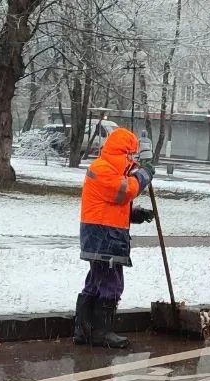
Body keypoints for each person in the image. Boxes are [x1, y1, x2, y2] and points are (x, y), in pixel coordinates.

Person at [75, 127, 155, 349]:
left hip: (103, 236)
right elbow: (125, 191)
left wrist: (135, 214)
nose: (133, 161)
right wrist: (145, 174)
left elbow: (111, 205)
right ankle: (101, 332)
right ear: (123, 153)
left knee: (96, 283)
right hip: (104, 238)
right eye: (131, 155)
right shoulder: (103, 169)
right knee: (111, 284)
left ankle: (85, 330)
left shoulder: (109, 169)